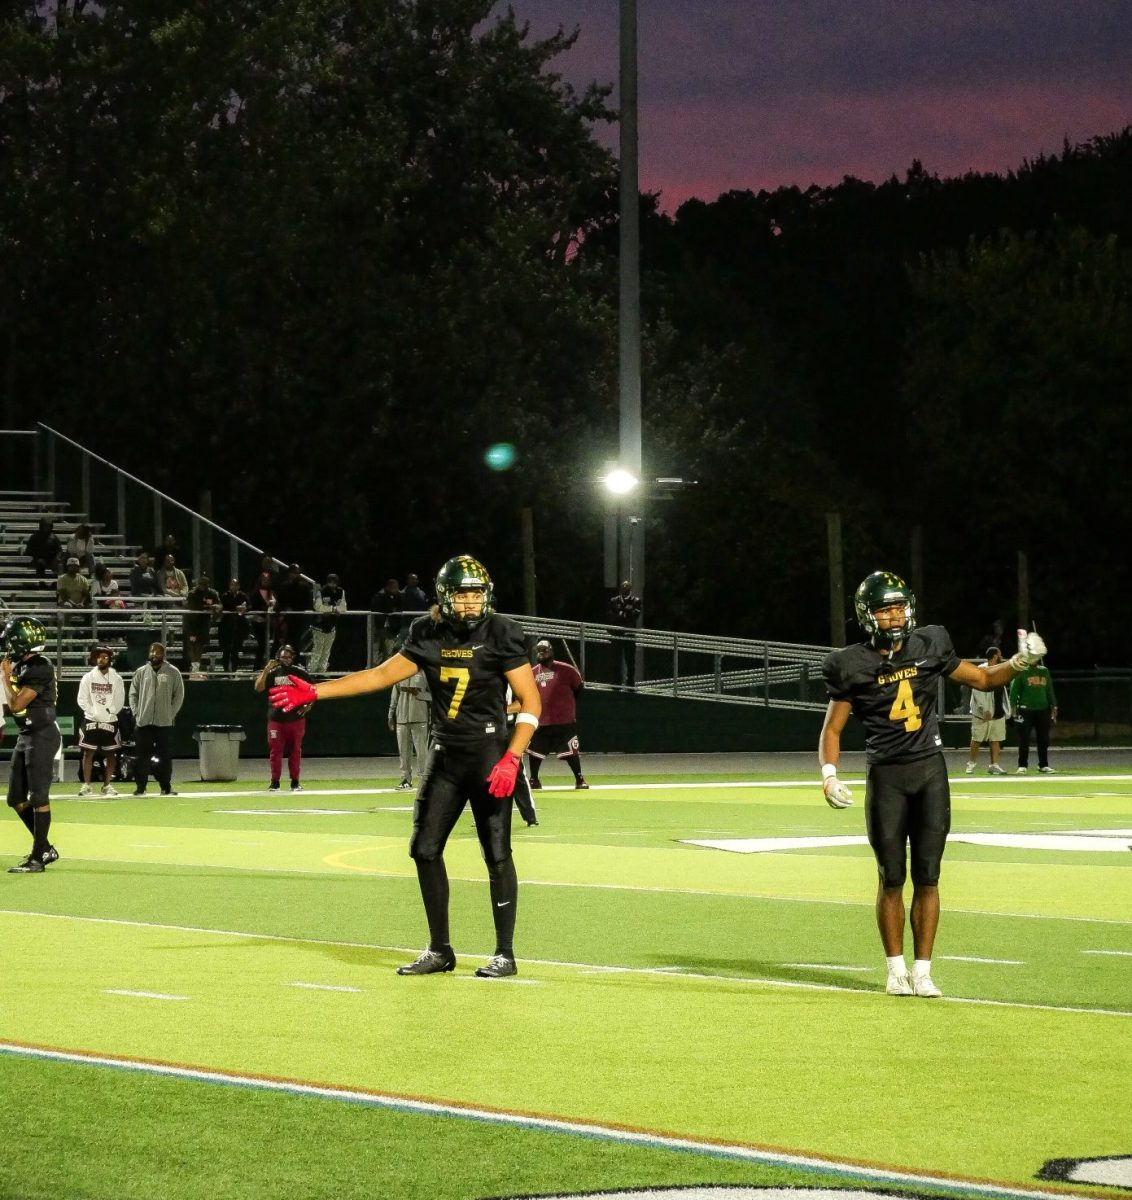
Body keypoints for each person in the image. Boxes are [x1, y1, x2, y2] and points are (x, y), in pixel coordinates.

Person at [270, 554, 541, 979]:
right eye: (463, 596)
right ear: (445, 598)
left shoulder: (503, 632)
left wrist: (512, 757)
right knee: (423, 849)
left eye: (476, 596)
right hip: (446, 755)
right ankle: (440, 949)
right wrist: (318, 693)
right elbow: (380, 675)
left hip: (489, 754)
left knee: (497, 853)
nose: (471, 605)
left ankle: (505, 953)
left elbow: (532, 702)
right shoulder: (426, 632)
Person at [818, 570, 1048, 1000]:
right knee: (890, 877)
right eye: (886, 609)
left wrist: (1019, 663)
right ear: (868, 616)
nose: (895, 615)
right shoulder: (849, 664)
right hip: (886, 774)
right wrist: (829, 775)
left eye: (900, 606)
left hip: (928, 771)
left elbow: (982, 679)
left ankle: (923, 971)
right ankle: (895, 969)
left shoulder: (930, 643)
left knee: (929, 875)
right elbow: (832, 729)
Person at [0, 617, 61, 872]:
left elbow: (16, 704)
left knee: (38, 797)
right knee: (15, 797)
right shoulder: (25, 664)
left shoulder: (40, 666)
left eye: (13, 640)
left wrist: (5, 676)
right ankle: (44, 847)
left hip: (42, 735)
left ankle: (37, 859)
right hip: (27, 734)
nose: (8, 645)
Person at [527, 638, 588, 789]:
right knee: (535, 752)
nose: (541, 654)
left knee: (571, 751)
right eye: (539, 651)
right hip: (541, 720)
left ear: (551, 651)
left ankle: (579, 779)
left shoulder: (567, 669)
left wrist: (566, 706)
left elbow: (578, 688)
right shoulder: (532, 673)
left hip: (563, 721)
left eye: (544, 651)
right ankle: (534, 779)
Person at [128, 642, 185, 797]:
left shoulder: (173, 672)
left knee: (165, 756)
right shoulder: (141, 672)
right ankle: (141, 787)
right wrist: (136, 713)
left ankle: (166, 787)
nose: (155, 654)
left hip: (164, 722)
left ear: (163, 654)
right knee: (141, 756)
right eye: (152, 651)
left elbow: (179, 695)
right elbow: (133, 693)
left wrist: (170, 713)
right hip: (143, 721)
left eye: (158, 652)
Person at [255, 645, 312, 792]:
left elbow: (313, 690)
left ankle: (295, 782)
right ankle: (275, 782)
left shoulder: (299, 672)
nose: (285, 659)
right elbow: (259, 688)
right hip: (276, 718)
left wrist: (308, 705)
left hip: (295, 718)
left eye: (287, 657)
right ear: (278, 658)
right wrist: (266, 669)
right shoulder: (273, 673)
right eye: (282, 657)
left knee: (295, 751)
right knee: (275, 751)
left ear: (292, 657)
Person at [76, 646, 125, 797]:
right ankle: (86, 785)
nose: (101, 659)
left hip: (110, 720)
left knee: (111, 754)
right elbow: (82, 699)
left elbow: (119, 700)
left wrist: (110, 712)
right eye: (98, 657)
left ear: (110, 659)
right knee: (88, 753)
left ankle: (107, 785)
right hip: (91, 719)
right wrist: (93, 712)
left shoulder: (116, 678)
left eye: (104, 657)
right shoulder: (88, 677)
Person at [1008, 646, 1058, 774]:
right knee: (1024, 739)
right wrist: (1013, 710)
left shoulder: (1044, 671)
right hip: (1025, 710)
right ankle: (1022, 765)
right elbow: (1014, 691)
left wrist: (1054, 706)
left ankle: (1043, 765)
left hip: (1043, 709)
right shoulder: (1022, 671)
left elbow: (1049, 690)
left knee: (1043, 739)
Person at [966, 645, 1011, 774]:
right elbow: (977, 690)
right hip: (983, 713)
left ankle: (994, 765)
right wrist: (984, 709)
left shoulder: (999, 670)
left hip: (997, 710)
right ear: (995, 656)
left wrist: (1005, 709)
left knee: (995, 738)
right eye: (1000, 655)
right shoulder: (981, 670)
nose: (1001, 657)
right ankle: (971, 764)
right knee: (977, 738)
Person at [388, 667, 431, 789]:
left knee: (422, 752)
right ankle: (405, 780)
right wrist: (390, 715)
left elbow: (434, 696)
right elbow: (394, 697)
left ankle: (424, 780)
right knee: (403, 752)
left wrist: (419, 694)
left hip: (420, 718)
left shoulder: (424, 673)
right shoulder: (399, 673)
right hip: (402, 719)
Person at [310, 572, 346, 674]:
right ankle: (312, 672)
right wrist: (332, 609)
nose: (332, 584)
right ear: (327, 582)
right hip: (319, 626)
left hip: (332, 626)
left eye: (334, 582)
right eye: (330, 582)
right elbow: (317, 607)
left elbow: (343, 607)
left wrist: (334, 610)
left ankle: (322, 671)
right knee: (318, 649)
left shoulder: (341, 591)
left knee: (326, 651)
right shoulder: (321, 591)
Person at [273, 564, 312, 659]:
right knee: (283, 642)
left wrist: (296, 609)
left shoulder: (304, 587)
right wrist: (284, 609)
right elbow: (279, 603)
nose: (295, 575)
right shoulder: (284, 586)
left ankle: (296, 662)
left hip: (298, 619)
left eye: (297, 573)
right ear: (289, 574)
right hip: (285, 620)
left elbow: (308, 603)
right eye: (293, 572)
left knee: (296, 642)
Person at [607, 579, 641, 687]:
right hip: (616, 634)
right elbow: (611, 616)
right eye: (623, 587)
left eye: (627, 587)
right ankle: (615, 681)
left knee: (630, 659)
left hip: (629, 634)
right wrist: (624, 614)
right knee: (615, 658)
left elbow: (633, 617)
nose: (624, 589)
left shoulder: (636, 601)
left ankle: (630, 682)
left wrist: (621, 615)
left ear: (630, 589)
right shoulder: (614, 601)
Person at [184, 574, 220, 673]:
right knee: (192, 644)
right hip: (191, 624)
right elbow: (194, 605)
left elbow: (219, 605)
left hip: (203, 625)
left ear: (208, 585)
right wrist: (208, 607)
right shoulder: (193, 593)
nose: (202, 586)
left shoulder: (212, 593)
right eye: (200, 584)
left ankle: (196, 666)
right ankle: (193, 665)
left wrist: (216, 606)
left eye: (204, 584)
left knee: (200, 645)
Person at [247, 570, 276, 670]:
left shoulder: (272, 592)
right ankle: (257, 666)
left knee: (267, 644)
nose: (265, 581)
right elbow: (253, 607)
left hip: (269, 622)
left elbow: (275, 606)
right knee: (262, 644)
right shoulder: (255, 592)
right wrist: (265, 607)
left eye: (267, 580)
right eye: (264, 579)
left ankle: (266, 666)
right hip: (258, 622)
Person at [218, 578, 249, 672]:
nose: (234, 586)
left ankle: (234, 671)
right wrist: (236, 607)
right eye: (232, 584)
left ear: (238, 586)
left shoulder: (243, 595)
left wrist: (245, 607)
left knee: (235, 651)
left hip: (239, 627)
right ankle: (226, 672)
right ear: (229, 586)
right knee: (226, 651)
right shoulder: (225, 595)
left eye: (236, 585)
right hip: (226, 627)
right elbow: (224, 605)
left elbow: (250, 605)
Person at [370, 578, 403, 662]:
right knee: (375, 651)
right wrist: (390, 609)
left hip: (391, 629)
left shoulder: (398, 596)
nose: (396, 589)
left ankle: (386, 673)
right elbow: (378, 608)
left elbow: (400, 608)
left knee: (388, 652)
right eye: (394, 587)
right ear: (388, 587)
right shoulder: (379, 595)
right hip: (378, 627)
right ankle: (373, 671)